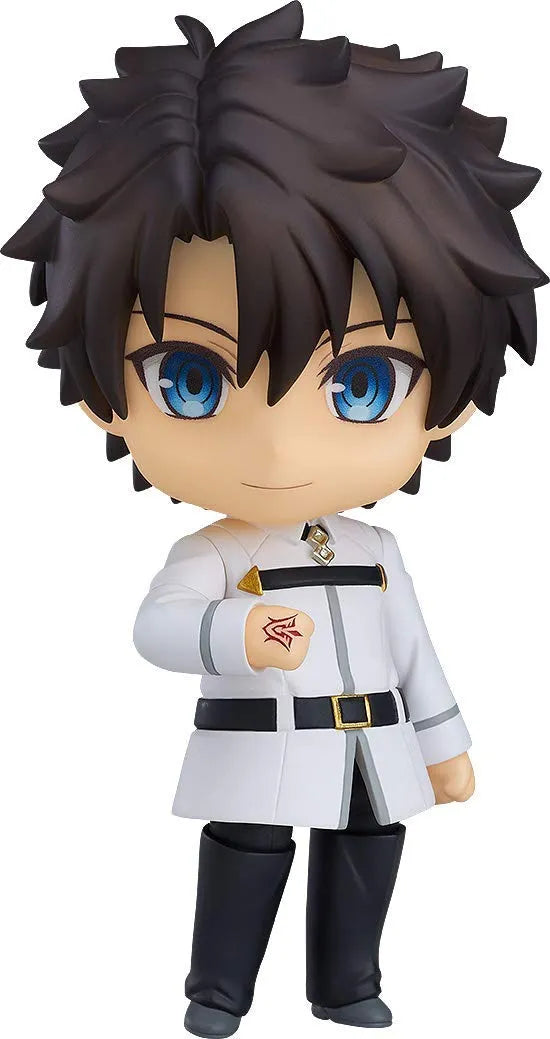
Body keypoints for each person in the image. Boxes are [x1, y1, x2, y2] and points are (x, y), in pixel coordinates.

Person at [3, 3, 546, 1035]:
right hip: (259, 748)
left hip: (371, 749)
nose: (279, 453)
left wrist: (443, 741)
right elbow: (157, 628)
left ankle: (347, 982)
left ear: (454, 398)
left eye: (362, 382)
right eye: (192, 378)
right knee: (248, 853)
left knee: (369, 849)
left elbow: (414, 650)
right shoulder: (209, 551)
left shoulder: (378, 550)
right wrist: (238, 631)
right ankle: (218, 987)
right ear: (100, 395)